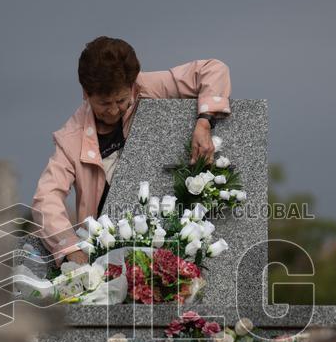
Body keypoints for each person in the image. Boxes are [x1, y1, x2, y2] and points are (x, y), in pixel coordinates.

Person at [31, 36, 231, 265]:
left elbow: (214, 70)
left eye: (122, 100)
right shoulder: (71, 138)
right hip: (107, 253)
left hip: (163, 238)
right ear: (86, 93)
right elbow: (46, 198)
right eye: (105, 103)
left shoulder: (148, 87)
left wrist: (204, 122)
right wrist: (69, 247)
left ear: (132, 86)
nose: (114, 110)